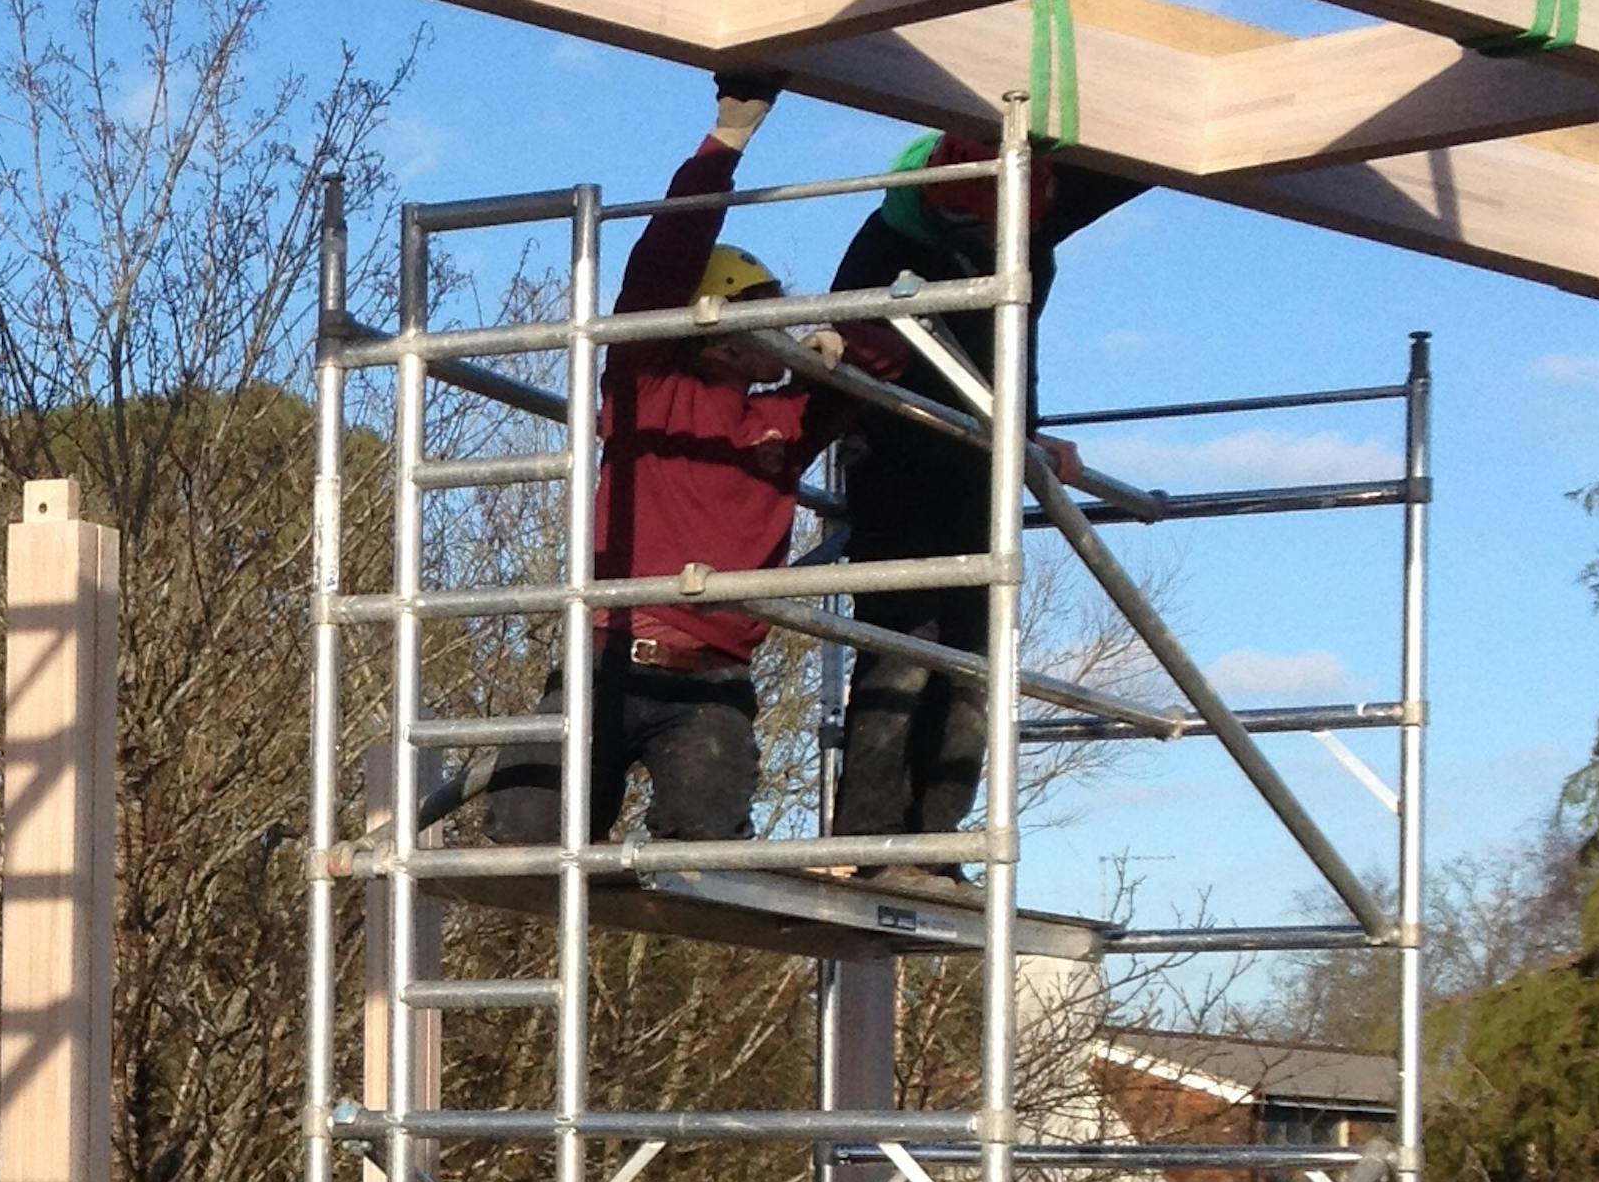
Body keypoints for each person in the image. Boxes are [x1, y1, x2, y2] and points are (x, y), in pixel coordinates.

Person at [475, 76, 822, 854]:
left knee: (701, 852)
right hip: (604, 657)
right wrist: (724, 145)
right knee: (523, 839)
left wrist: (840, 355)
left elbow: (887, 366)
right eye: (758, 308)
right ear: (713, 322)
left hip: (712, 686)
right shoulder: (649, 386)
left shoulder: (787, 420)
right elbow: (665, 262)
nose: (776, 325)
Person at [816, 120, 1141, 852]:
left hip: (983, 453)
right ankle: (864, 842)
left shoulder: (1037, 201)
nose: (994, 239)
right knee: (904, 641)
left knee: (976, 657)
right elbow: (855, 354)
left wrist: (1030, 427)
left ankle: (937, 845)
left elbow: (1008, 343)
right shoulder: (890, 238)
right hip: (895, 448)